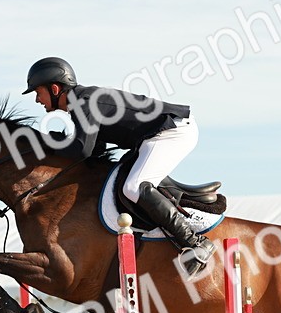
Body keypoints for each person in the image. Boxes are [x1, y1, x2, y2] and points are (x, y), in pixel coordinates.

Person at [24, 56, 216, 279]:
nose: (37, 99)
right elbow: (94, 149)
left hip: (172, 131)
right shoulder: (82, 102)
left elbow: (82, 150)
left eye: (38, 92)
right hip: (158, 134)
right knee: (127, 182)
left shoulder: (84, 102)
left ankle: (195, 243)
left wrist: (45, 142)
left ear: (55, 88)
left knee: (133, 187)